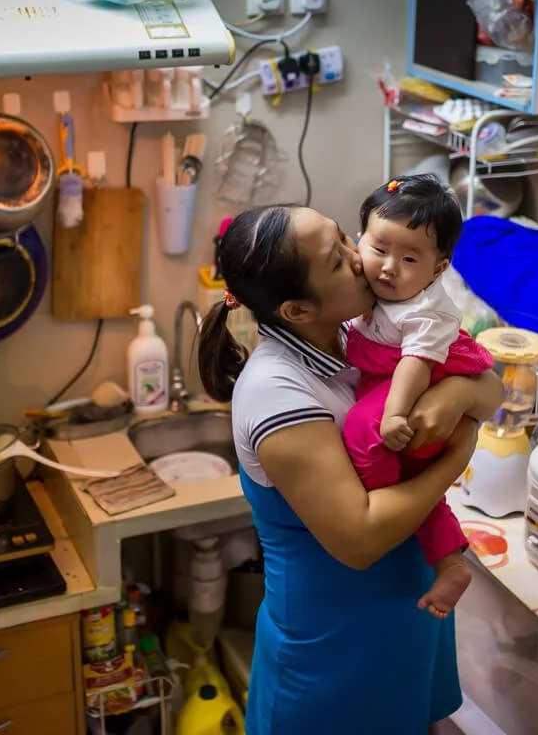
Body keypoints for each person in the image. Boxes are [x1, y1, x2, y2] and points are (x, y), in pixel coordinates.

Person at [198, 203, 503, 735]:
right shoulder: (276, 392)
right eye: (336, 262)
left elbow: (487, 385)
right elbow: (359, 539)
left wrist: (457, 392)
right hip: (333, 652)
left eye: (344, 239)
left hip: (405, 623)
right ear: (295, 310)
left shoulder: (361, 332)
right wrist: (456, 455)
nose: (360, 259)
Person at [344, 175, 494, 619]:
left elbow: (416, 365)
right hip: (393, 378)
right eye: (378, 250)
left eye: (409, 257)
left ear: (438, 268)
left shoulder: (425, 310)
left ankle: (391, 510)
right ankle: (450, 561)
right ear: (358, 244)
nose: (389, 267)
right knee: (421, 487)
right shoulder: (364, 284)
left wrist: (392, 415)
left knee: (361, 430)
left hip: (420, 379)